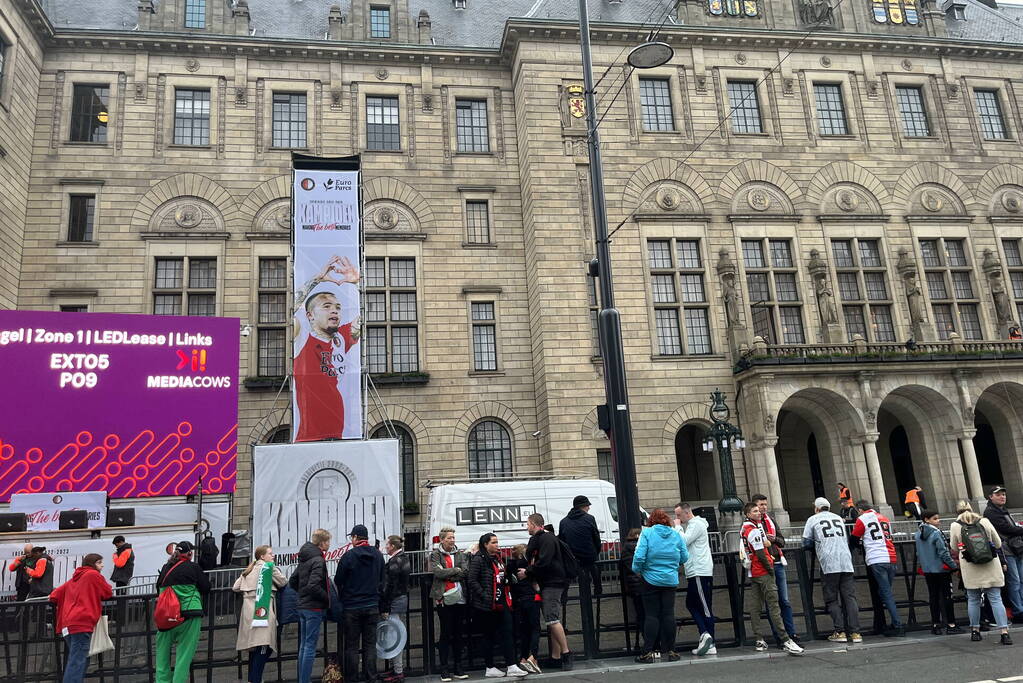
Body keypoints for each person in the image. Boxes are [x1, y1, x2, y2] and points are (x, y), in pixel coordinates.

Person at [293, 257, 361, 441]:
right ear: (310, 315)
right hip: (309, 436)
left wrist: (357, 284)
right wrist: (316, 279)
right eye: (327, 306)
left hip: (339, 432)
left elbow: (368, 317)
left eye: (338, 307)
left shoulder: (340, 338)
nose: (335, 311)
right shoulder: (301, 337)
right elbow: (289, 308)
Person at [741, 502, 803, 656]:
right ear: (748, 514)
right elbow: (761, 553)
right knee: (774, 606)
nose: (758, 513)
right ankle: (785, 639)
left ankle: (759, 638)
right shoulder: (753, 529)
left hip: (754, 571)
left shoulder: (745, 528)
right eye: (754, 511)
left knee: (755, 606)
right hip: (762, 570)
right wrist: (770, 570)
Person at [950, 500, 1013, 645]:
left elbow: (954, 547)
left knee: (973, 599)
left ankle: (975, 631)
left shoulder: (955, 525)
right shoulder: (984, 521)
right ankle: (1004, 632)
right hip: (990, 563)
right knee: (996, 599)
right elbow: (997, 543)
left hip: (970, 566)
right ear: (972, 509)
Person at [467, 533, 529, 678]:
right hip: (487, 605)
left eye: (497, 542)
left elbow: (503, 576)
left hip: (502, 601)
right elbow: (472, 580)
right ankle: (490, 667)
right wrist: (484, 595)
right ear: (485, 544)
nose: (497, 545)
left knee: (507, 632)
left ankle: (511, 665)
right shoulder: (479, 559)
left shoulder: (498, 559)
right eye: (493, 542)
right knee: (488, 635)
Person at [631, 508, 688, 663]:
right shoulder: (676, 534)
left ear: (651, 521)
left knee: (651, 615)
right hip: (670, 580)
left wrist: (637, 570)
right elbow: (684, 556)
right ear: (667, 520)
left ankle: (647, 652)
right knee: (668, 614)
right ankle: (672, 651)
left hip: (649, 579)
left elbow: (639, 556)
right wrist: (672, 566)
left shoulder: (647, 533)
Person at [802, 497, 861, 643]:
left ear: (816, 508)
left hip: (829, 562)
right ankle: (855, 633)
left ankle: (840, 631)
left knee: (831, 598)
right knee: (850, 597)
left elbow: (806, 542)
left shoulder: (813, 519)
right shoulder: (838, 518)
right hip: (846, 560)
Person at [519, 513, 572, 670]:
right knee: (551, 620)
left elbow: (544, 561)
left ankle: (566, 653)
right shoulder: (544, 538)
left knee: (552, 618)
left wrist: (528, 572)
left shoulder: (546, 539)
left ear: (534, 525)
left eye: (528, 524)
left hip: (552, 584)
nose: (526, 527)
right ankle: (555, 657)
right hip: (550, 583)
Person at [49, 553, 112, 683]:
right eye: (99, 562)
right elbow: (107, 592)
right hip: (82, 622)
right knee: (78, 661)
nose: (102, 565)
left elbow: (54, 596)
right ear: (92, 564)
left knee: (79, 659)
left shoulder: (73, 579)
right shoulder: (93, 575)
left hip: (67, 624)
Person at [334, 524, 384, 683]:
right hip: (372, 605)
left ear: (355, 538)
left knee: (352, 646)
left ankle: (352, 679)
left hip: (351, 607)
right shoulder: (377, 555)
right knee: (370, 645)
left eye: (352, 537)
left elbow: (338, 580)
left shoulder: (348, 556)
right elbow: (383, 578)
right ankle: (371, 677)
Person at [155, 541, 211, 683]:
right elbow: (206, 587)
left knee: (162, 656)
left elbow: (158, 589)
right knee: (184, 656)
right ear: (190, 554)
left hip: (166, 616)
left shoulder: (165, 567)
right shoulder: (193, 567)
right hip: (190, 614)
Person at [233, 545, 288, 683]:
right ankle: (255, 679)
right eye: (270, 553)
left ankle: (253, 679)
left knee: (255, 647)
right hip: (263, 610)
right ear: (262, 556)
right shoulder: (269, 567)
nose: (273, 555)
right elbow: (283, 582)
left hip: (248, 612)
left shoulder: (248, 569)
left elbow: (235, 587)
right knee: (264, 645)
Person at [851, 500, 904, 636]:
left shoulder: (862, 519)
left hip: (876, 558)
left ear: (860, 510)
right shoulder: (883, 518)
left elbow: (854, 539)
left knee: (886, 594)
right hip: (891, 557)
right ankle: (885, 623)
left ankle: (897, 625)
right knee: (885, 592)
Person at [752, 494, 798, 644]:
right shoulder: (750, 525)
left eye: (765, 504)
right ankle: (780, 636)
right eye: (761, 505)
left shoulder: (771, 520)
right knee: (772, 602)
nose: (764, 507)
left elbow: (782, 541)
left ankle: (791, 634)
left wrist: (774, 539)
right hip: (765, 567)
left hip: (777, 563)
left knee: (784, 601)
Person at [290, 529, 332, 683]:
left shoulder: (305, 558)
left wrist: (302, 593)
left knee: (303, 645)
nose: (329, 544)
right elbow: (314, 586)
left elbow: (293, 581)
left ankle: (302, 679)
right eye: (328, 541)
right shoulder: (318, 560)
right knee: (309, 647)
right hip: (313, 608)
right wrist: (327, 598)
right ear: (322, 543)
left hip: (302, 606)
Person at [430, 527, 470, 682]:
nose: (452, 540)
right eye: (449, 538)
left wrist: (450, 574)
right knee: (445, 633)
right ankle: (444, 668)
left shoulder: (459, 554)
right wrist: (455, 571)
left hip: (460, 597)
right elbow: (438, 573)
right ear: (442, 540)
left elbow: (465, 571)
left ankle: (458, 667)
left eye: (453, 537)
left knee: (459, 633)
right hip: (443, 598)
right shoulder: (435, 555)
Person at [675, 503, 716, 655]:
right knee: (692, 604)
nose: (677, 519)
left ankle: (709, 639)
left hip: (699, 571)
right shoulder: (694, 524)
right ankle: (706, 636)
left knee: (704, 607)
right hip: (695, 571)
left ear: (687, 513)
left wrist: (678, 527)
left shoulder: (695, 524)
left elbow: (684, 541)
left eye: (679, 515)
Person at [914, 510, 960, 635]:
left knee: (933, 597)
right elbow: (943, 552)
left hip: (928, 570)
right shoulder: (936, 533)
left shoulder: (917, 534)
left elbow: (919, 553)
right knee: (947, 596)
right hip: (941, 569)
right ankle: (951, 624)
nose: (938, 521)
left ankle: (935, 624)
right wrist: (953, 566)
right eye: (935, 518)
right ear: (926, 520)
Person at [983, 485, 1023, 623]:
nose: (1002, 496)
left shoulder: (1002, 510)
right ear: (990, 497)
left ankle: (1020, 608)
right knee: (1015, 581)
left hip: (1015, 549)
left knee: (1020, 581)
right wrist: (1019, 529)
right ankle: (1018, 611)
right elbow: (1007, 528)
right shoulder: (991, 512)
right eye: (998, 494)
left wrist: (1017, 529)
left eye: (1004, 494)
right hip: (1006, 551)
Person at [380, 535, 412, 682]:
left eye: (387, 545)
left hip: (394, 601)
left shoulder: (394, 561)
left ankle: (398, 671)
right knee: (395, 634)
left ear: (392, 546)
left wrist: (385, 606)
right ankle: (395, 669)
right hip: (401, 599)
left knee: (394, 636)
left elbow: (390, 586)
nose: (386, 547)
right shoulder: (404, 558)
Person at [507, 544, 542, 675]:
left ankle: (522, 657)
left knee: (524, 631)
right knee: (535, 628)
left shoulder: (510, 565)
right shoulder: (528, 565)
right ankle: (533, 657)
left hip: (518, 601)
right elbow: (536, 578)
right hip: (531, 598)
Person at [558, 495, 602, 597]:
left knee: (568, 576)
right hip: (589, 558)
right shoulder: (589, 518)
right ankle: (598, 590)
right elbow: (596, 539)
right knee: (595, 570)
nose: (589, 508)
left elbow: (562, 542)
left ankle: (564, 597)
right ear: (583, 506)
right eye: (587, 505)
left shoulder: (563, 522)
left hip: (572, 560)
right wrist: (595, 553)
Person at [619, 528, 648, 653]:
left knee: (641, 614)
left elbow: (627, 568)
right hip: (647, 584)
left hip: (635, 587)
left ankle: (646, 641)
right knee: (650, 614)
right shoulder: (644, 545)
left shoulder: (626, 548)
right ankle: (655, 641)